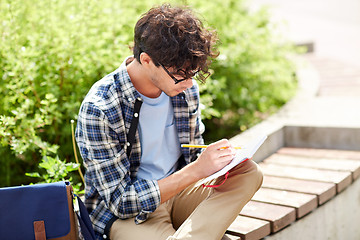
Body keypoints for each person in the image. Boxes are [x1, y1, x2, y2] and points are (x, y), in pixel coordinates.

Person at [76, 4, 263, 240]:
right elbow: (120, 202)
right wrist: (197, 170)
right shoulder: (100, 108)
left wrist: (220, 161)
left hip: (181, 195)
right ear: (146, 60)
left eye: (193, 73)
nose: (188, 81)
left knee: (249, 173)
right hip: (131, 215)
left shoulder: (185, 88)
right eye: (180, 74)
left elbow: (193, 157)